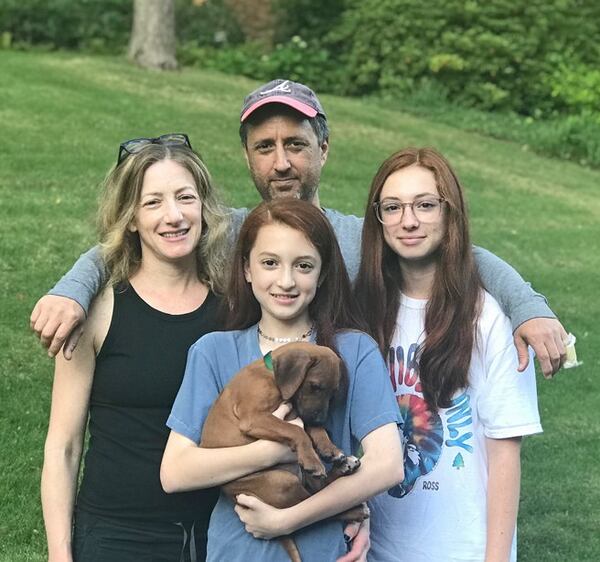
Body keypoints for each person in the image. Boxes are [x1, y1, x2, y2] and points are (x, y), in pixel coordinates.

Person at [30, 79, 568, 380]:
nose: (281, 162)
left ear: (324, 149)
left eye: (296, 145)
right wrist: (71, 292)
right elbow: (134, 236)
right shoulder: (229, 233)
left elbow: (455, 250)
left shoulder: (359, 238)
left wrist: (530, 308)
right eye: (265, 148)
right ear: (247, 158)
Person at [160, 198, 404, 561]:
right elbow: (176, 473)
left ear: (322, 274)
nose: (286, 281)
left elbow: (388, 465)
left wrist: (286, 520)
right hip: (236, 552)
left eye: (303, 265)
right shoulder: (213, 351)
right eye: (269, 263)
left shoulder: (354, 352)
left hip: (327, 553)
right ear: (246, 269)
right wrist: (275, 448)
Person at [41, 134, 231, 561]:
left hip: (217, 533)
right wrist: (59, 552)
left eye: (185, 197)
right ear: (130, 219)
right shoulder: (98, 311)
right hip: (116, 534)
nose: (174, 216)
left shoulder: (233, 308)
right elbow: (64, 445)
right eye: (153, 203)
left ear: (204, 206)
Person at [354, 147, 543, 561]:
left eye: (425, 205)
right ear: (378, 217)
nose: (408, 220)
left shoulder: (489, 318)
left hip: (464, 550)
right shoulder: (364, 312)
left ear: (449, 212)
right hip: (377, 550)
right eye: (393, 207)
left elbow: (505, 455)